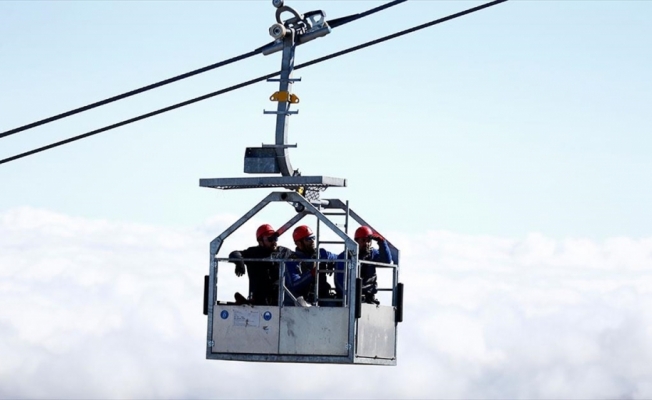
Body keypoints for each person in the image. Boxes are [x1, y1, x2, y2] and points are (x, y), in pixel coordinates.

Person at [229, 224, 292, 306]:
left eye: (275, 238)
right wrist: (239, 262)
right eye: (270, 239)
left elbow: (299, 257)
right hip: (259, 298)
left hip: (280, 298)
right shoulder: (254, 252)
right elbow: (234, 254)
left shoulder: (284, 252)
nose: (274, 242)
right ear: (260, 241)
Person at [336, 226, 392, 305]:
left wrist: (382, 242)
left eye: (369, 241)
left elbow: (387, 261)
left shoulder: (373, 254)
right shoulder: (345, 256)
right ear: (356, 241)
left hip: (368, 299)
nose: (367, 243)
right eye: (363, 240)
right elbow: (339, 280)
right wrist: (349, 297)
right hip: (349, 300)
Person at [284, 225, 338, 306]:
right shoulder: (291, 261)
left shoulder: (321, 254)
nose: (312, 241)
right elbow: (294, 285)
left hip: (322, 297)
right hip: (303, 301)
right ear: (299, 243)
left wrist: (333, 262)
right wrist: (312, 273)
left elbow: (340, 258)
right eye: (308, 239)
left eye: (313, 238)